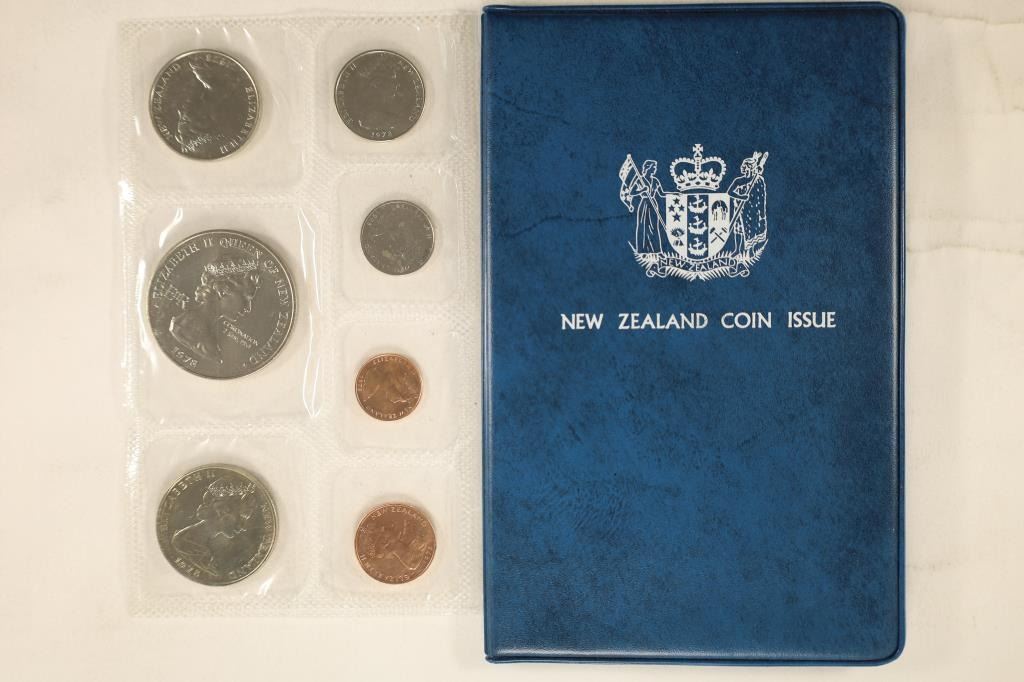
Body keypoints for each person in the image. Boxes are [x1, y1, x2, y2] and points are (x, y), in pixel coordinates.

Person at [169, 256, 260, 363]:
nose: (248, 308)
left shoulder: (204, 334)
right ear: (222, 291)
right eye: (245, 298)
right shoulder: (184, 331)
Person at [725, 153, 768, 255]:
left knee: (751, 229)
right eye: (744, 167)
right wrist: (741, 197)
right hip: (740, 210)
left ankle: (751, 251)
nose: (745, 169)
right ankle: (737, 250)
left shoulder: (758, 180)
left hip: (752, 209)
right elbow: (729, 192)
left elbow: (761, 195)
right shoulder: (739, 180)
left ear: (752, 169)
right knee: (738, 229)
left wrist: (761, 212)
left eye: (748, 168)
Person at [630, 160, 666, 254]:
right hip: (644, 204)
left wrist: (673, 194)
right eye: (653, 167)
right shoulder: (640, 179)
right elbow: (631, 192)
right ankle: (642, 250)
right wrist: (642, 190)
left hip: (653, 204)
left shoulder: (655, 180)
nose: (655, 169)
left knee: (654, 226)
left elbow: (661, 193)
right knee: (643, 226)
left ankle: (656, 250)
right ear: (648, 168)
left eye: (655, 167)